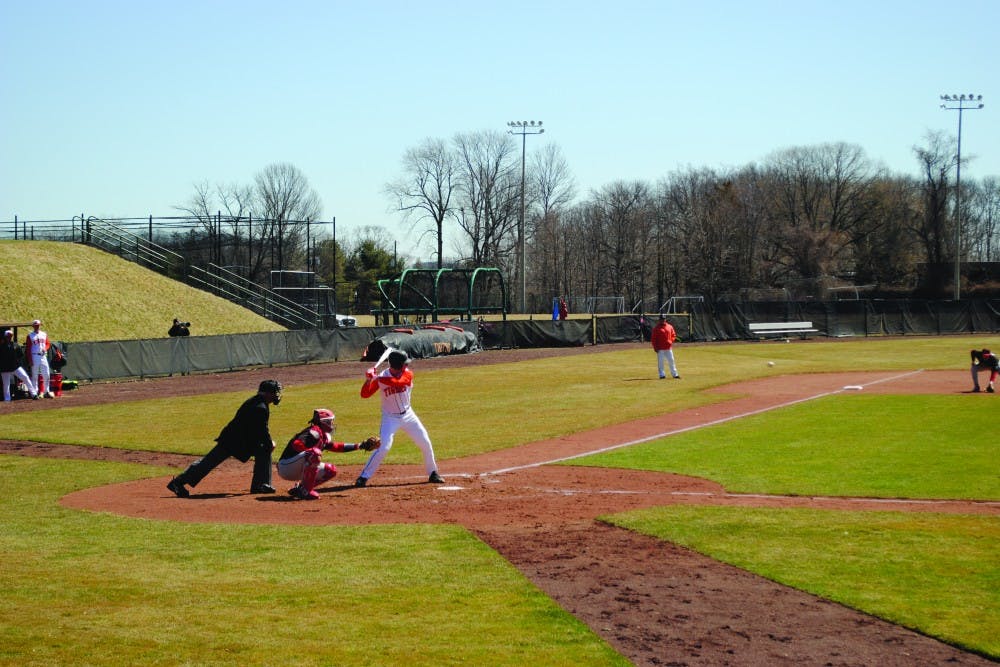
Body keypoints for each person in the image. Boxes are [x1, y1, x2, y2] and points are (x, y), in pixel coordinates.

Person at [167, 379, 282, 498]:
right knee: (208, 463)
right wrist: (269, 444)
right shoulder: (260, 407)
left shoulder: (255, 401)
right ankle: (178, 483)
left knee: (262, 450)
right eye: (274, 392)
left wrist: (266, 444)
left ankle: (261, 485)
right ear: (267, 393)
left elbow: (256, 430)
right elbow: (262, 430)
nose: (276, 395)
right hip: (233, 440)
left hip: (239, 439)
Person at [355, 350, 444, 487]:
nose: (406, 366)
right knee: (384, 447)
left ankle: (433, 473)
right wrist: (368, 380)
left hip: (409, 415)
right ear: (398, 365)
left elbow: (397, 382)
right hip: (390, 418)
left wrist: (376, 378)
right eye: (404, 364)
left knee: (425, 442)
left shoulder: (407, 374)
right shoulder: (382, 377)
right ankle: (363, 477)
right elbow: (364, 394)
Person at [277, 408, 380, 500]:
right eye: (330, 421)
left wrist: (359, 445)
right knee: (315, 453)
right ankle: (307, 491)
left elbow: (336, 447)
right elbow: (296, 444)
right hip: (287, 466)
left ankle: (301, 488)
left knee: (331, 470)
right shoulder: (314, 432)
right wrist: (311, 453)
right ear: (323, 422)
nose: (332, 424)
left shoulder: (322, 435)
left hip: (297, 465)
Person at [1, 330, 39, 401]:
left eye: (10, 336)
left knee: (25, 377)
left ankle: (34, 394)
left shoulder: (15, 345)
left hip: (15, 367)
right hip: (5, 368)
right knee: (6, 385)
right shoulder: (1, 345)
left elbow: (20, 355)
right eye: (8, 336)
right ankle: (7, 399)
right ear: (5, 337)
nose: (9, 338)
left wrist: (18, 363)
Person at [25, 319, 54, 398]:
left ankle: (46, 391)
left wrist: (45, 348)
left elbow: (48, 343)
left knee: (47, 374)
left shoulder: (44, 334)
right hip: (34, 356)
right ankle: (35, 392)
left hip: (43, 356)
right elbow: (28, 349)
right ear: (33, 326)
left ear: (40, 325)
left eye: (38, 325)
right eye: (35, 325)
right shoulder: (30, 336)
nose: (37, 326)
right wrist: (30, 359)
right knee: (34, 375)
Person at [651, 314, 680, 379]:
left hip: (668, 348)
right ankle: (662, 375)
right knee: (661, 363)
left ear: (665, 319)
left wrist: (671, 341)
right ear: (659, 320)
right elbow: (653, 339)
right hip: (660, 348)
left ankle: (675, 374)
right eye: (661, 319)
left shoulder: (670, 326)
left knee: (671, 361)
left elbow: (673, 335)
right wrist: (655, 347)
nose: (662, 320)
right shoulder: (656, 328)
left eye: (663, 319)